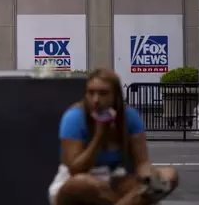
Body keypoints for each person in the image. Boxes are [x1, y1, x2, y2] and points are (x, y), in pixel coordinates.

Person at [48, 68, 179, 205]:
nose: (96, 100)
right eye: (91, 93)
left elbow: (142, 162)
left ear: (116, 96)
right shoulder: (74, 117)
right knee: (82, 183)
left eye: (103, 93)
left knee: (169, 175)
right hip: (74, 182)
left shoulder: (129, 117)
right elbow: (76, 170)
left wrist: (149, 179)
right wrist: (100, 135)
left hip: (111, 180)